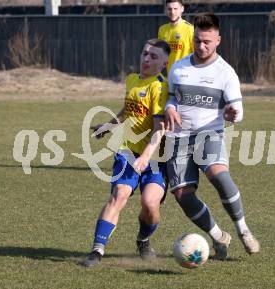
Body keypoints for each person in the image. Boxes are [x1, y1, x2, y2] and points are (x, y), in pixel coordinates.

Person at [164, 12, 260, 260]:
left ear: (218, 39)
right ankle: (219, 237)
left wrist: (232, 113)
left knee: (219, 175)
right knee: (183, 195)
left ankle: (243, 230)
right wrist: (171, 108)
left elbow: (238, 110)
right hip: (178, 138)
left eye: (207, 41)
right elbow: (171, 97)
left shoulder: (225, 73)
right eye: (197, 40)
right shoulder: (178, 67)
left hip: (209, 132)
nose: (201, 46)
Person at [84, 39, 170, 267]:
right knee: (119, 195)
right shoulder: (132, 80)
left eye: (153, 56)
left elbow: (159, 128)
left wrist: (146, 156)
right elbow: (127, 111)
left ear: (164, 63)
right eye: (144, 54)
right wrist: (108, 126)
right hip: (128, 152)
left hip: (155, 158)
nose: (146, 59)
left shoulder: (160, 87)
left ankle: (143, 240)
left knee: (150, 204)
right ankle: (97, 250)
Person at [158, 0, 194, 73]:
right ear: (166, 10)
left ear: (182, 9)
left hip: (185, 76)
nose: (172, 12)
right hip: (168, 76)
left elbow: (197, 56)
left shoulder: (190, 29)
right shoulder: (162, 29)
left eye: (175, 9)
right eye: (169, 9)